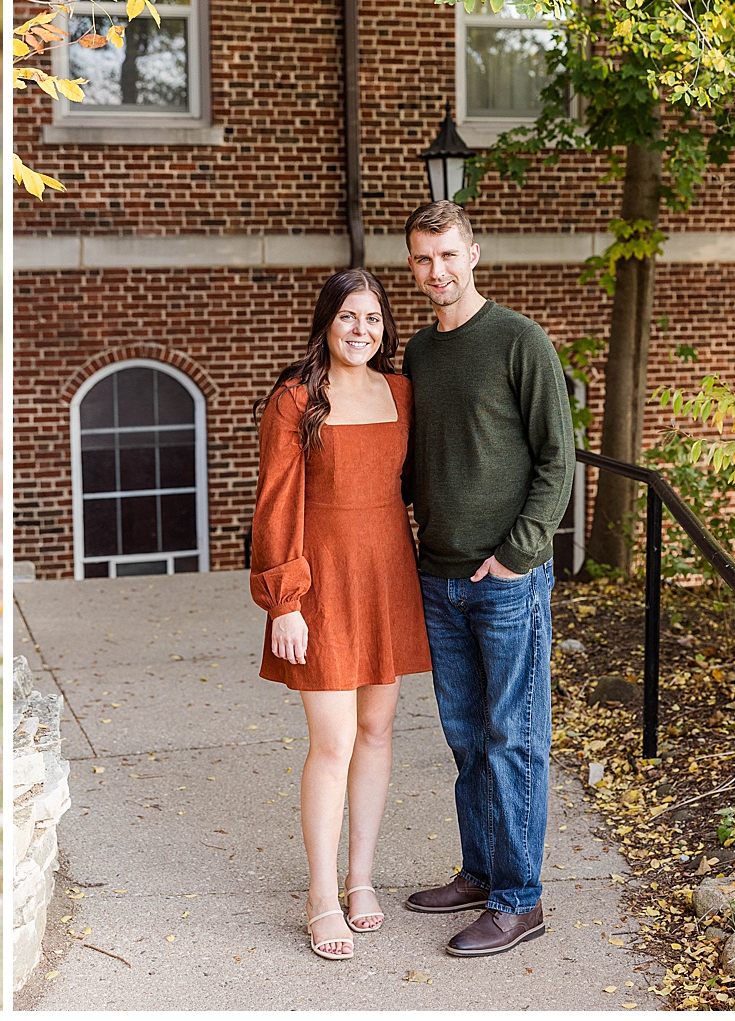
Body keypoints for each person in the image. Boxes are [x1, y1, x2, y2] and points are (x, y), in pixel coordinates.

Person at [399, 199, 574, 957]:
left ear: (474, 254)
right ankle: (479, 872)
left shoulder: (518, 341)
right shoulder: (418, 353)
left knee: (514, 739)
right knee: (468, 738)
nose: (435, 271)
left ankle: (519, 898)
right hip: (437, 578)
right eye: (421, 259)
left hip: (505, 579)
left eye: (447, 255)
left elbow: (556, 458)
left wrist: (519, 553)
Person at [250, 267, 431, 961]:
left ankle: (361, 879)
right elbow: (275, 506)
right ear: (327, 321)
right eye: (350, 316)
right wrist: (284, 602)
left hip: (387, 574)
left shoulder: (403, 393)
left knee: (378, 730)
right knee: (333, 741)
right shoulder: (296, 399)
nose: (363, 330)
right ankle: (320, 892)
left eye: (375, 319)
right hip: (320, 583)